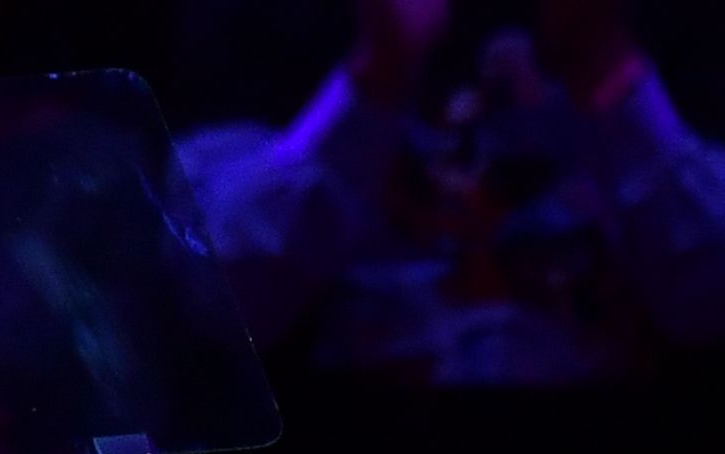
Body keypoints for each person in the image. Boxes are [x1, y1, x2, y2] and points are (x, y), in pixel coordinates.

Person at [178, 0, 725, 384]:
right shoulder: (256, 28)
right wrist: (373, 78)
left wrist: (608, 69)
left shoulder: (685, 24)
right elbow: (201, 313)